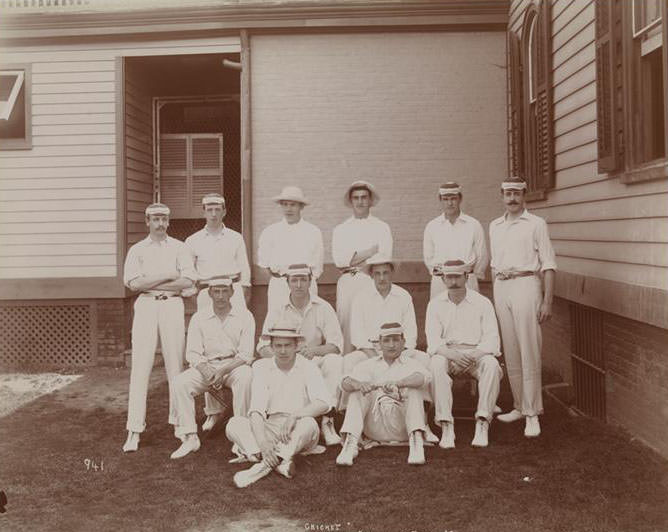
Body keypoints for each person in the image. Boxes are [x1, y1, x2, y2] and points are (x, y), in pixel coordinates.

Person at [121, 203, 196, 452]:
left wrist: (151, 282)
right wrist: (167, 275)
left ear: (168, 221)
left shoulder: (180, 247)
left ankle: (181, 426)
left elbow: (187, 280)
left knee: (176, 366)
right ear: (147, 221)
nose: (160, 224)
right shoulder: (137, 250)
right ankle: (134, 429)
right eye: (155, 219)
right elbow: (133, 283)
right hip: (145, 307)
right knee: (140, 366)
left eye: (164, 219)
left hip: (172, 306)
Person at [226, 323, 334, 488]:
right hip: (271, 426)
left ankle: (261, 465)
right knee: (234, 423)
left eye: (287, 346)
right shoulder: (261, 367)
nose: (283, 351)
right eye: (278, 346)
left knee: (309, 423)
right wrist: (263, 442)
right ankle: (278, 462)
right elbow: (256, 410)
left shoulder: (308, 367)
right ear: (271, 347)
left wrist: (295, 415)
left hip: (298, 428)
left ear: (296, 346)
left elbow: (324, 403)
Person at [489, 176, 557, 438]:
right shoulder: (495, 225)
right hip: (502, 285)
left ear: (524, 195)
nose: (512, 198)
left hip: (527, 284)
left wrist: (547, 300)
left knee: (529, 348)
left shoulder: (536, 224)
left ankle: (532, 412)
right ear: (502, 195)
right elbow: (495, 263)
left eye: (517, 193)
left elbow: (549, 264)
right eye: (507, 193)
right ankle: (519, 405)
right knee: (511, 349)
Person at [257, 263, 344, 446]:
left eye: (303, 280)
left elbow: (336, 345)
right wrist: (283, 357)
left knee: (334, 362)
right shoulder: (277, 309)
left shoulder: (323, 307)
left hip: (314, 360)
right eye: (294, 280)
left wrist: (314, 351)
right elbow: (263, 346)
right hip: (285, 361)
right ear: (287, 282)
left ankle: (327, 421)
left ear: (310, 282)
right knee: (257, 367)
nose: (298, 285)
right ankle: (259, 421)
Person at [169, 278, 255, 458]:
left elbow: (246, 354)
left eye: (225, 291)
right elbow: (192, 353)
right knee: (180, 383)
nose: (221, 296)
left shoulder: (245, 315)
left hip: (233, 366)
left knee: (246, 376)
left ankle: (242, 435)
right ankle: (190, 437)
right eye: (217, 291)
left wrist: (222, 371)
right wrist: (207, 370)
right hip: (207, 367)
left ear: (232, 292)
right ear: (210, 294)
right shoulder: (199, 317)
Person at [425, 260, 503, 448]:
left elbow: (492, 339)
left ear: (466, 277)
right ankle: (446, 425)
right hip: (449, 354)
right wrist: (452, 355)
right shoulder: (435, 304)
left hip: (476, 354)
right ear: (443, 278)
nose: (453, 281)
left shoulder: (482, 303)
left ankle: (483, 422)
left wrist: (474, 355)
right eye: (449, 277)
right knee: (435, 363)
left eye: (457, 276)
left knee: (492, 365)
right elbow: (433, 341)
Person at [336, 323, 431, 467]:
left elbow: (423, 378)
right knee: (358, 391)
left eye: (395, 340)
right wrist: (358, 384)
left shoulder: (412, 363)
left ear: (403, 342)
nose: (391, 345)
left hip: (403, 427)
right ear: (379, 344)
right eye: (386, 340)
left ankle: (417, 443)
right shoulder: (367, 365)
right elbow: (344, 382)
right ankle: (350, 443)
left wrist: (399, 383)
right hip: (375, 426)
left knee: (414, 389)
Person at [332, 180, 392, 353]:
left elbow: (385, 256)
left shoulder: (382, 227)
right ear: (351, 201)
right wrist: (370, 252)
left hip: (372, 280)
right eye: (356, 198)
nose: (360, 202)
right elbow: (340, 260)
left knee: (373, 322)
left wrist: (354, 258)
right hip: (348, 281)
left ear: (370, 200)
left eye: (364, 197)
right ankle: (348, 364)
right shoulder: (341, 229)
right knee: (347, 323)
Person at [344, 253, 430, 374]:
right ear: (371, 275)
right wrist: (377, 358)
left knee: (425, 359)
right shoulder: (360, 298)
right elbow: (358, 336)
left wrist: (395, 357)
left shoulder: (403, 296)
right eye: (377, 274)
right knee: (349, 361)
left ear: (392, 274)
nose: (382, 278)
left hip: (399, 352)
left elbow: (411, 335)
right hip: (370, 352)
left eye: (385, 273)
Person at [257, 186, 323, 310]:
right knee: (279, 324)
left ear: (301, 206)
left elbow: (317, 267)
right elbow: (263, 265)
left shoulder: (313, 231)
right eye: (285, 204)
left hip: (305, 286)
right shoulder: (270, 232)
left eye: (293, 205)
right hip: (279, 286)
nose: (288, 209)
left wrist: (303, 283)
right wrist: (281, 280)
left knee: (307, 323)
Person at [185, 193, 251, 310]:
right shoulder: (192, 240)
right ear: (203, 212)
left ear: (224, 212)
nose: (213, 214)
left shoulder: (236, 238)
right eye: (209, 210)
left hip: (232, 292)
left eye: (217, 209)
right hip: (206, 292)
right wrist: (193, 296)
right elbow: (188, 272)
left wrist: (242, 292)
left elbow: (244, 269)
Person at [423, 181, 488, 299]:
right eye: (445, 199)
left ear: (460, 199)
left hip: (467, 279)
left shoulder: (473, 225)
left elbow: (482, 256)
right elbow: (428, 257)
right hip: (441, 281)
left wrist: (471, 275)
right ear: (440, 200)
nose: (450, 203)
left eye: (453, 198)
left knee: (470, 315)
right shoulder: (432, 226)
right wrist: (443, 273)